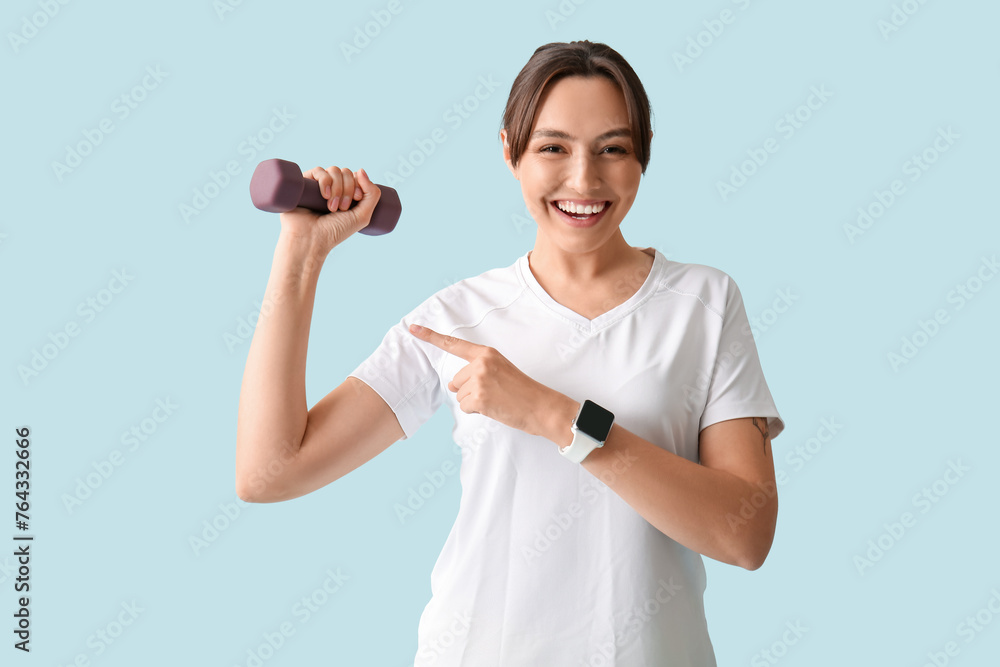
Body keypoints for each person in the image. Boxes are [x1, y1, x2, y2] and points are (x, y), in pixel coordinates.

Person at [236, 40, 784, 667]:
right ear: (510, 151)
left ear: (643, 155)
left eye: (613, 148)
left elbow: (745, 533)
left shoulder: (705, 303)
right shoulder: (454, 319)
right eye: (553, 147)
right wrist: (300, 257)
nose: (584, 179)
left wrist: (555, 415)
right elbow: (268, 473)